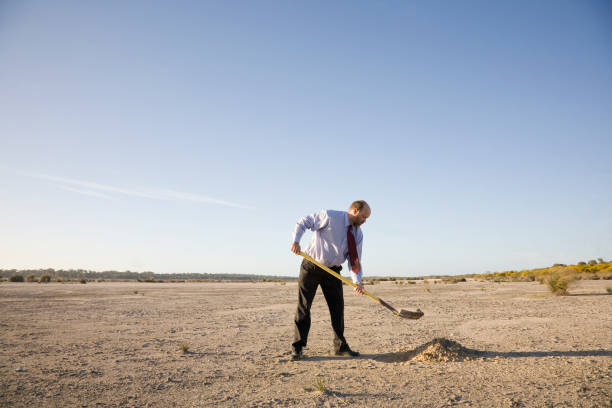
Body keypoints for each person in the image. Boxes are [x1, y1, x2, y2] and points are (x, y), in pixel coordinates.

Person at [289, 200, 371, 361]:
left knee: (337, 308)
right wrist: (296, 241)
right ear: (355, 211)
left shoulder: (358, 234)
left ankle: (340, 347)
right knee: (304, 307)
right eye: (363, 217)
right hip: (311, 266)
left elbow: (354, 260)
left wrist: (357, 281)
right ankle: (297, 347)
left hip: (333, 271)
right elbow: (304, 222)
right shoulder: (330, 216)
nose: (365, 221)